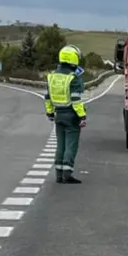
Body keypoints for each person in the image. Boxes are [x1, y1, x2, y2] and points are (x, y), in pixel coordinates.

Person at [44, 45, 87, 184]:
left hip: (58, 115)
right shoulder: (73, 78)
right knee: (71, 145)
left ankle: (59, 174)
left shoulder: (52, 76)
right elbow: (76, 100)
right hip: (71, 115)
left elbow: (48, 97)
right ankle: (67, 174)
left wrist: (50, 113)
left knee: (60, 145)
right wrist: (82, 116)